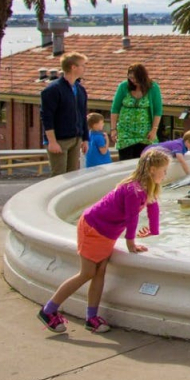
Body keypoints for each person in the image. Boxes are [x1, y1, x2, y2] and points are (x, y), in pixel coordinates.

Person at [36, 147, 169, 335]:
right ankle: (48, 310)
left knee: (100, 272)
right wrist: (130, 243)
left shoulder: (147, 187)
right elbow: (132, 217)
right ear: (152, 170)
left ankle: (92, 318)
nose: (165, 175)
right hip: (93, 227)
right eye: (164, 170)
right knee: (87, 273)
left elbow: (153, 208)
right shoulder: (133, 189)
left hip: (107, 232)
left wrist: (153, 231)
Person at [40, 52, 89, 176]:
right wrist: (52, 141)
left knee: (72, 176)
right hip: (59, 140)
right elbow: (47, 117)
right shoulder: (53, 90)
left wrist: (85, 139)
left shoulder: (80, 89)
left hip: (75, 138)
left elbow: (83, 114)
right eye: (83, 65)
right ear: (73, 67)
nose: (85, 68)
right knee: (58, 176)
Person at [111, 63, 162, 161]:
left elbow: (157, 110)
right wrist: (113, 129)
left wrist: (154, 130)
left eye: (135, 78)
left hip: (145, 133)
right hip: (125, 132)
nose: (133, 81)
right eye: (130, 78)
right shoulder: (123, 87)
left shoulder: (153, 88)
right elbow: (115, 109)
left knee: (143, 162)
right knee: (125, 161)